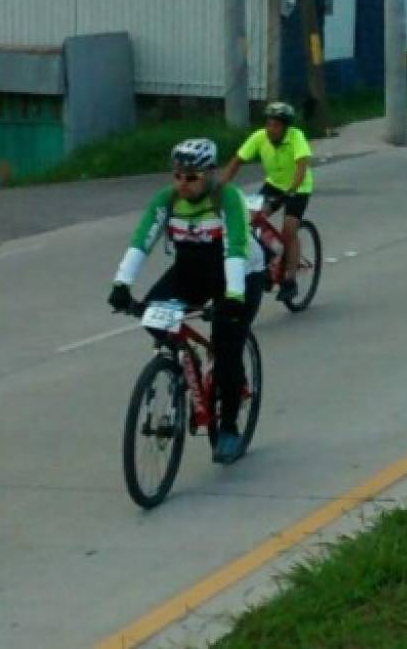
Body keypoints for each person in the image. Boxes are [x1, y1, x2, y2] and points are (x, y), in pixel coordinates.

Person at [108, 139, 266, 464]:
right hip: (192, 268)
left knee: (226, 347)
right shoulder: (166, 201)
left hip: (239, 273)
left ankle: (229, 425)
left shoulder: (226, 198)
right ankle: (184, 363)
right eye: (178, 175)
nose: (183, 184)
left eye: (191, 177)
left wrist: (233, 298)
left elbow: (235, 248)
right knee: (152, 316)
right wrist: (122, 284)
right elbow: (142, 240)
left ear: (210, 173)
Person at [222, 102, 313, 303]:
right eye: (269, 124)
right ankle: (269, 259)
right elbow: (236, 161)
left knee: (289, 230)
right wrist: (220, 188)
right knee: (252, 219)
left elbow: (301, 167)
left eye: (276, 126)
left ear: (285, 127)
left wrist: (291, 190)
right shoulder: (259, 137)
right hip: (273, 185)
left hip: (298, 187)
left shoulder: (296, 137)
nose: (271, 129)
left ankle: (289, 279)